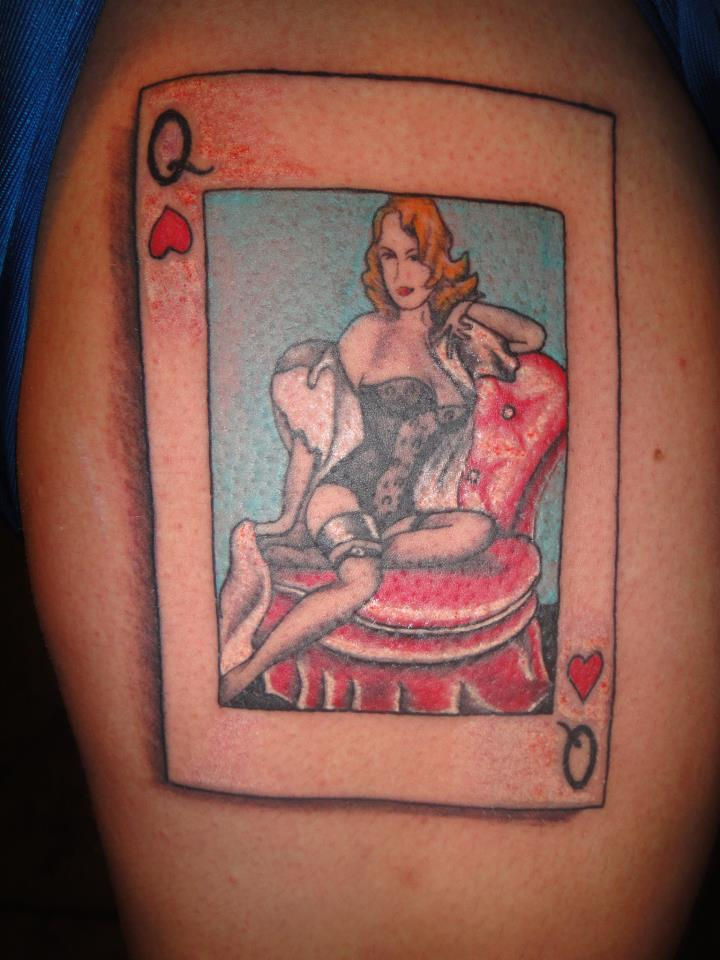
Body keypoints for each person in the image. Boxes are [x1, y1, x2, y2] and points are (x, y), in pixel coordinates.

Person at [219, 195, 546, 701]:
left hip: (401, 515)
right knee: (359, 582)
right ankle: (246, 671)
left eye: (415, 256)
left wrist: (464, 308)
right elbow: (322, 427)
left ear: (439, 261)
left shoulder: (455, 346)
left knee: (478, 529)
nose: (400, 273)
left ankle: (354, 548)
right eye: (389, 256)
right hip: (342, 494)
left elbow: (532, 335)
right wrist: (291, 515)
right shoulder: (367, 334)